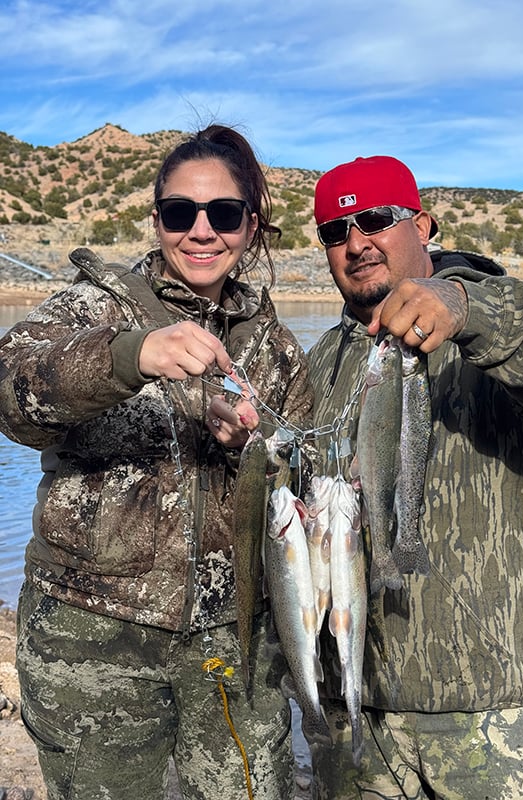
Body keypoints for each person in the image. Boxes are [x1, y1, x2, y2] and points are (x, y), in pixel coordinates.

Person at [0, 124, 313, 800]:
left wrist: (254, 451)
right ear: (156, 219)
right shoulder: (92, 306)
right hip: (89, 641)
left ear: (250, 224)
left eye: (223, 213)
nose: (201, 231)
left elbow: (306, 481)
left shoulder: (277, 348)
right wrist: (131, 356)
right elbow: (12, 392)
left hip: (234, 643)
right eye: (180, 212)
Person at [306, 154, 523, 799]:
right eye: (335, 231)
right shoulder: (324, 358)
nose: (356, 243)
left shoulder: (507, 311)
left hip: (504, 714)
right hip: (357, 714)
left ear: (423, 226)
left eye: (375, 220)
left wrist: (467, 310)